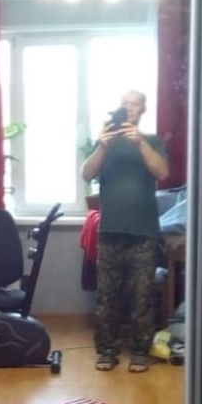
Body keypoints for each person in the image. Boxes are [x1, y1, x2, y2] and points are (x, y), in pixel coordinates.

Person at [81, 90, 169, 373]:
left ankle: (140, 352)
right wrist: (102, 146)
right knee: (107, 297)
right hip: (110, 232)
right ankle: (107, 351)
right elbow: (86, 174)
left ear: (142, 110)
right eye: (124, 104)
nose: (129, 108)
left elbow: (162, 173)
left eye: (134, 104)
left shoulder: (152, 141)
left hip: (144, 233)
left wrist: (140, 142)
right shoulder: (107, 143)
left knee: (142, 296)